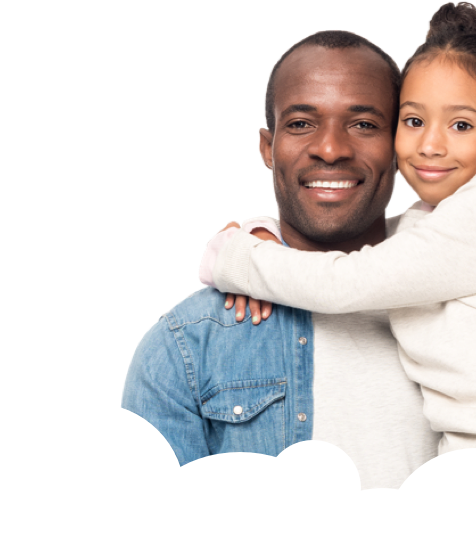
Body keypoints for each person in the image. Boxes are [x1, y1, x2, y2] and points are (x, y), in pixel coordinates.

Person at [199, 3, 476, 466]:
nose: (431, 144)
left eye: (461, 125)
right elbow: (394, 251)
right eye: (414, 121)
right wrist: (268, 233)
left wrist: (234, 258)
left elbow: (352, 279)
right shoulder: (454, 218)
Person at [121, 28, 442, 490]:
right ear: (268, 150)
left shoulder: (469, 304)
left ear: (399, 148)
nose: (330, 149)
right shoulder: (188, 345)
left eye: (364, 124)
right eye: (301, 123)